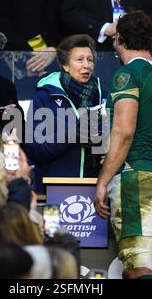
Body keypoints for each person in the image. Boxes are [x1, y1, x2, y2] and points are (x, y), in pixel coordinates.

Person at [94, 10, 152, 279]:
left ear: (119, 39)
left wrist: (102, 181)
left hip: (137, 181)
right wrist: (150, 151)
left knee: (137, 268)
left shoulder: (127, 75)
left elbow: (124, 133)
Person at [24, 34, 108, 193]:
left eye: (90, 60)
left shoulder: (103, 96)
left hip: (97, 190)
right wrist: (73, 134)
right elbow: (35, 149)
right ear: (65, 65)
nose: (87, 65)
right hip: (55, 188)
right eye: (80, 60)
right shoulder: (45, 97)